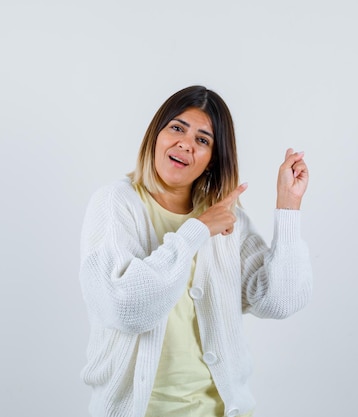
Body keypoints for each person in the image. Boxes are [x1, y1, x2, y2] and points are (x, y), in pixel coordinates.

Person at [79, 85, 312, 417]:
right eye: (177, 128)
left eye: (203, 140)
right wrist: (197, 230)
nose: (186, 143)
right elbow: (126, 307)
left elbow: (279, 301)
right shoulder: (116, 203)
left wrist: (288, 207)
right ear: (155, 136)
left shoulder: (227, 218)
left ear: (212, 159)